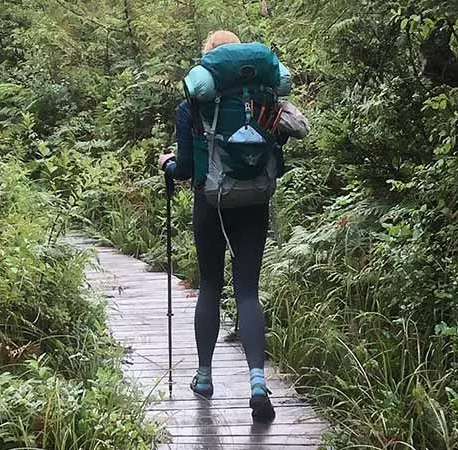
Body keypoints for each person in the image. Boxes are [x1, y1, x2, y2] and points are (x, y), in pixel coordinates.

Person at [157, 30, 286, 423]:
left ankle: (204, 377)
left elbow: (188, 169)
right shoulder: (265, 99)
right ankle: (258, 383)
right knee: (247, 290)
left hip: (210, 200)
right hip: (255, 199)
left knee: (211, 284)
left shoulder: (192, 105)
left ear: (209, 62)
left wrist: (167, 165)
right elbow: (276, 146)